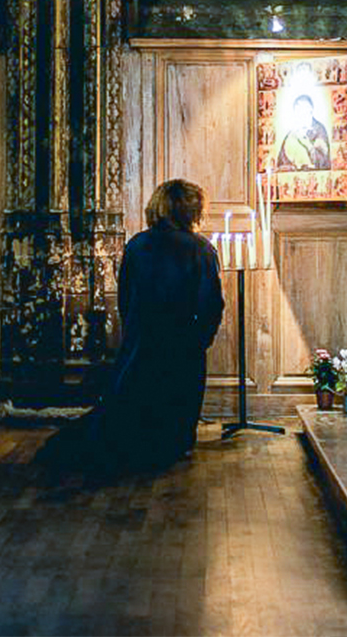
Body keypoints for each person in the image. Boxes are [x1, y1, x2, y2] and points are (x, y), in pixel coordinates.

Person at [39, 179, 224, 474]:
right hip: (183, 345)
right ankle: (172, 445)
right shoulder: (201, 249)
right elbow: (211, 303)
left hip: (142, 341)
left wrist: (136, 332)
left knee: (131, 405)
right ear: (191, 210)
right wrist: (200, 340)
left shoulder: (137, 245)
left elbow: (125, 297)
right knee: (177, 408)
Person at [275, 94, 333, 170]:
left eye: (305, 110)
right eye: (299, 111)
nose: (302, 114)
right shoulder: (291, 134)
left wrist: (308, 145)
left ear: (311, 111)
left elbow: (322, 162)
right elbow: (282, 162)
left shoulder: (319, 130)